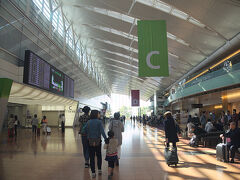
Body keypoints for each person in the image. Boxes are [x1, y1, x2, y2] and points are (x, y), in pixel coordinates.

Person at [86, 110, 107, 178]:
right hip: (98, 141)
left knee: (91, 157)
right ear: (96, 114)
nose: (99, 115)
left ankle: (93, 172)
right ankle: (100, 169)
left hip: (90, 141)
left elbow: (86, 131)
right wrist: (106, 138)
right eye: (98, 113)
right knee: (98, 155)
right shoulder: (99, 122)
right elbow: (102, 131)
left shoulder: (88, 122)